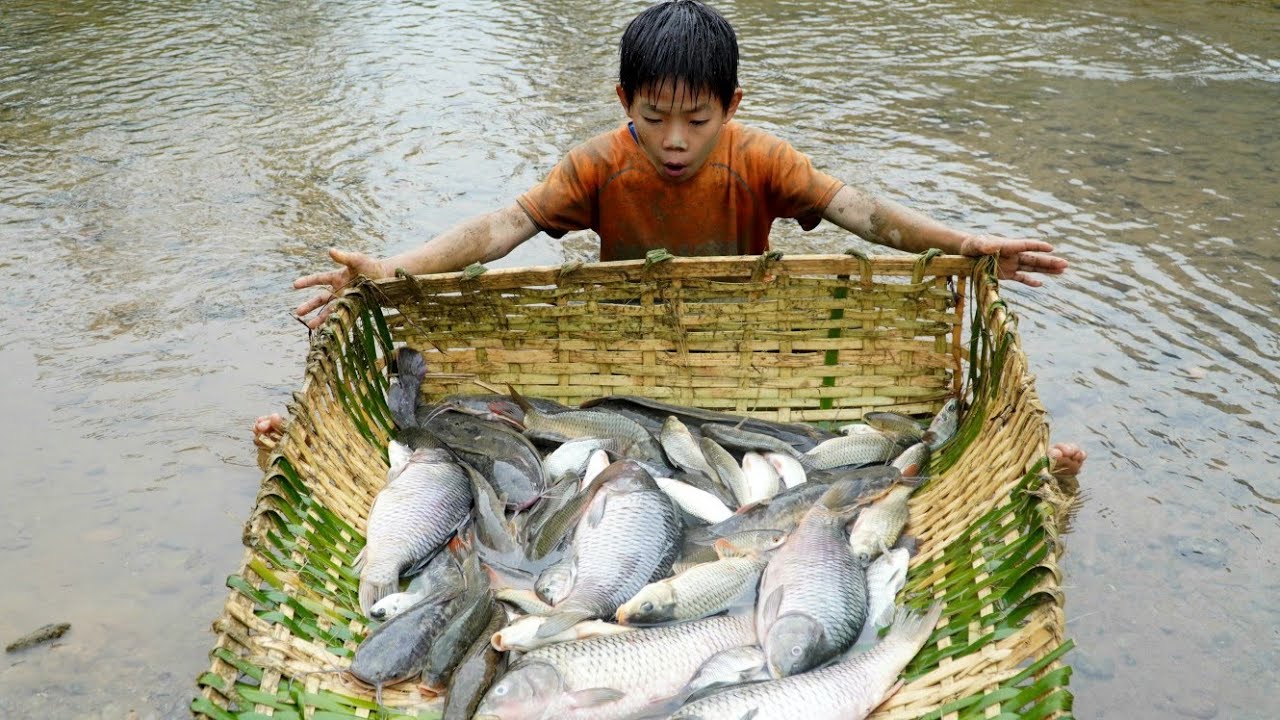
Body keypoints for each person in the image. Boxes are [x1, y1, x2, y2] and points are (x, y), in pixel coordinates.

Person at [254, 0, 1085, 475]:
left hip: (744, 343)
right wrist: (390, 268)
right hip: (634, 350)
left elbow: (861, 213)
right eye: (654, 118)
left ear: (732, 106)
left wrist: (968, 242)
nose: (677, 140)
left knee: (822, 441)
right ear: (625, 101)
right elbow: (503, 226)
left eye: (698, 120)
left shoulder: (762, 158)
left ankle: (1016, 469)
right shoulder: (599, 166)